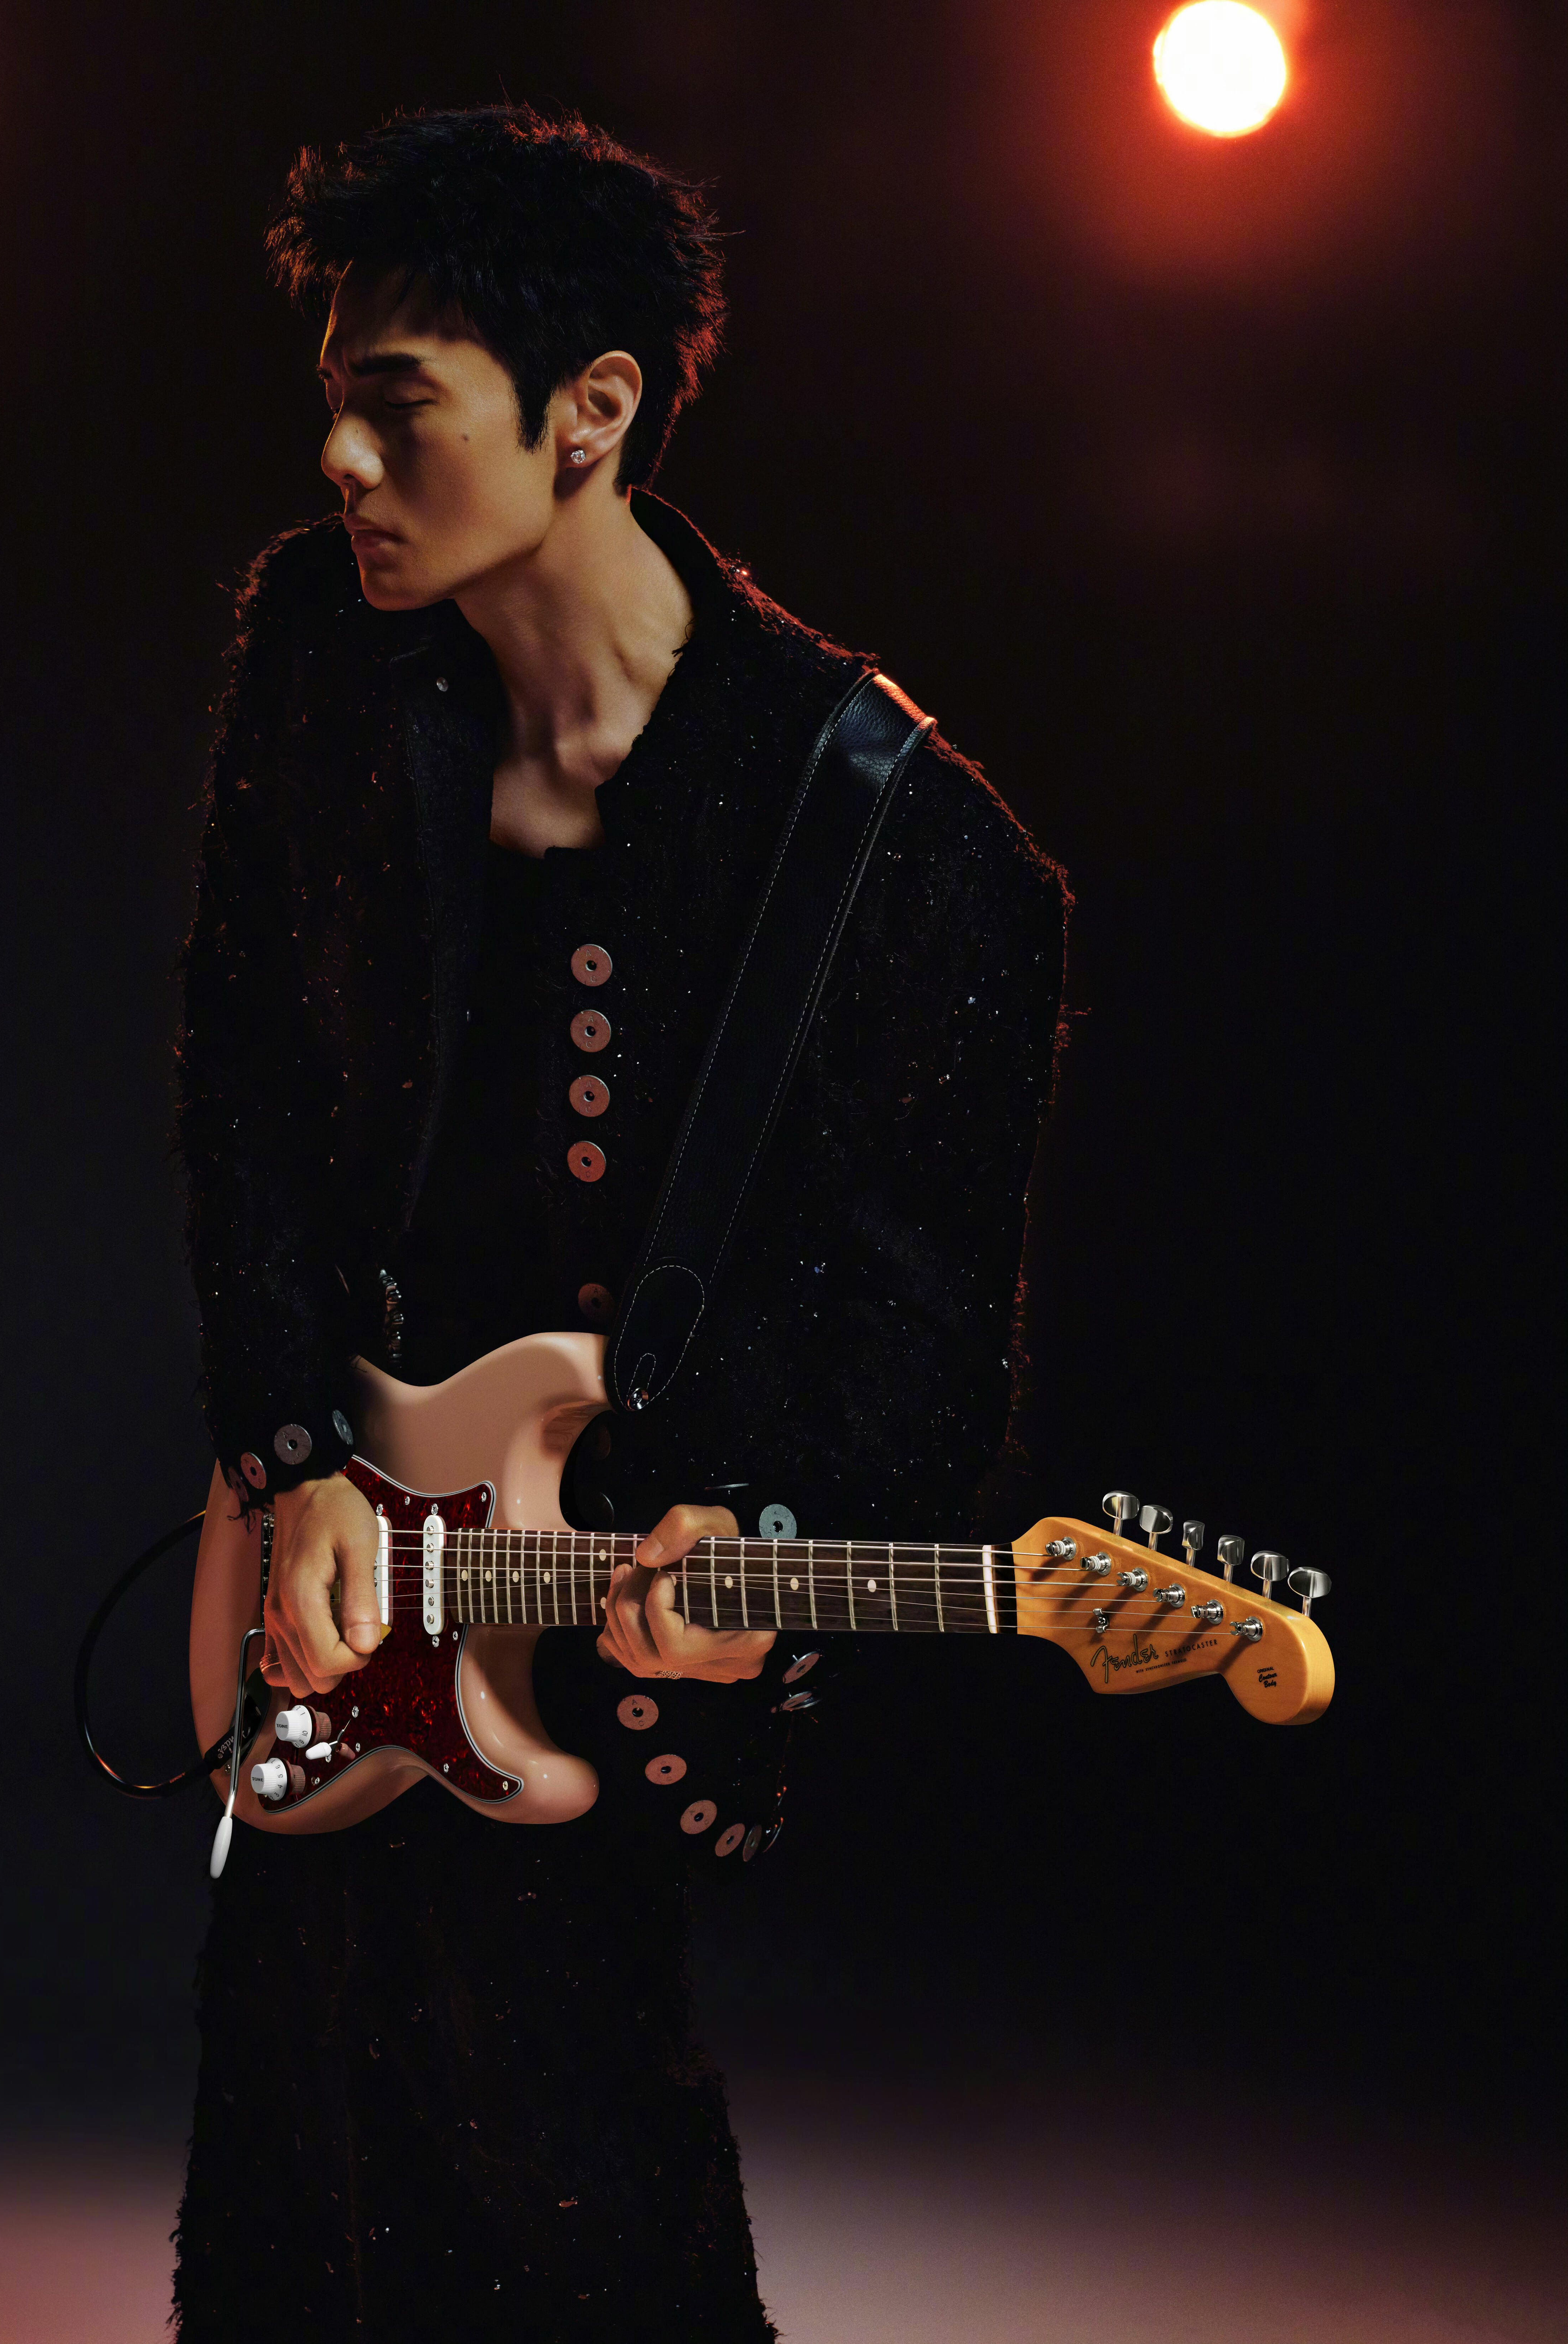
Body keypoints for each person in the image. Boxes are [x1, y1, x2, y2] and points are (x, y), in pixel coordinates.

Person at [171, 103, 1066, 2342]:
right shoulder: (318, 652)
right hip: (338, 1624)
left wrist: (766, 1528)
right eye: (332, 401)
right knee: (293, 2211)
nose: (341, 462)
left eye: (400, 406)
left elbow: (928, 1339)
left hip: (616, 1687)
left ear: (591, 413)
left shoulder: (900, 843)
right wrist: (292, 1453)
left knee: (580, 2220)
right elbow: (246, 1081)